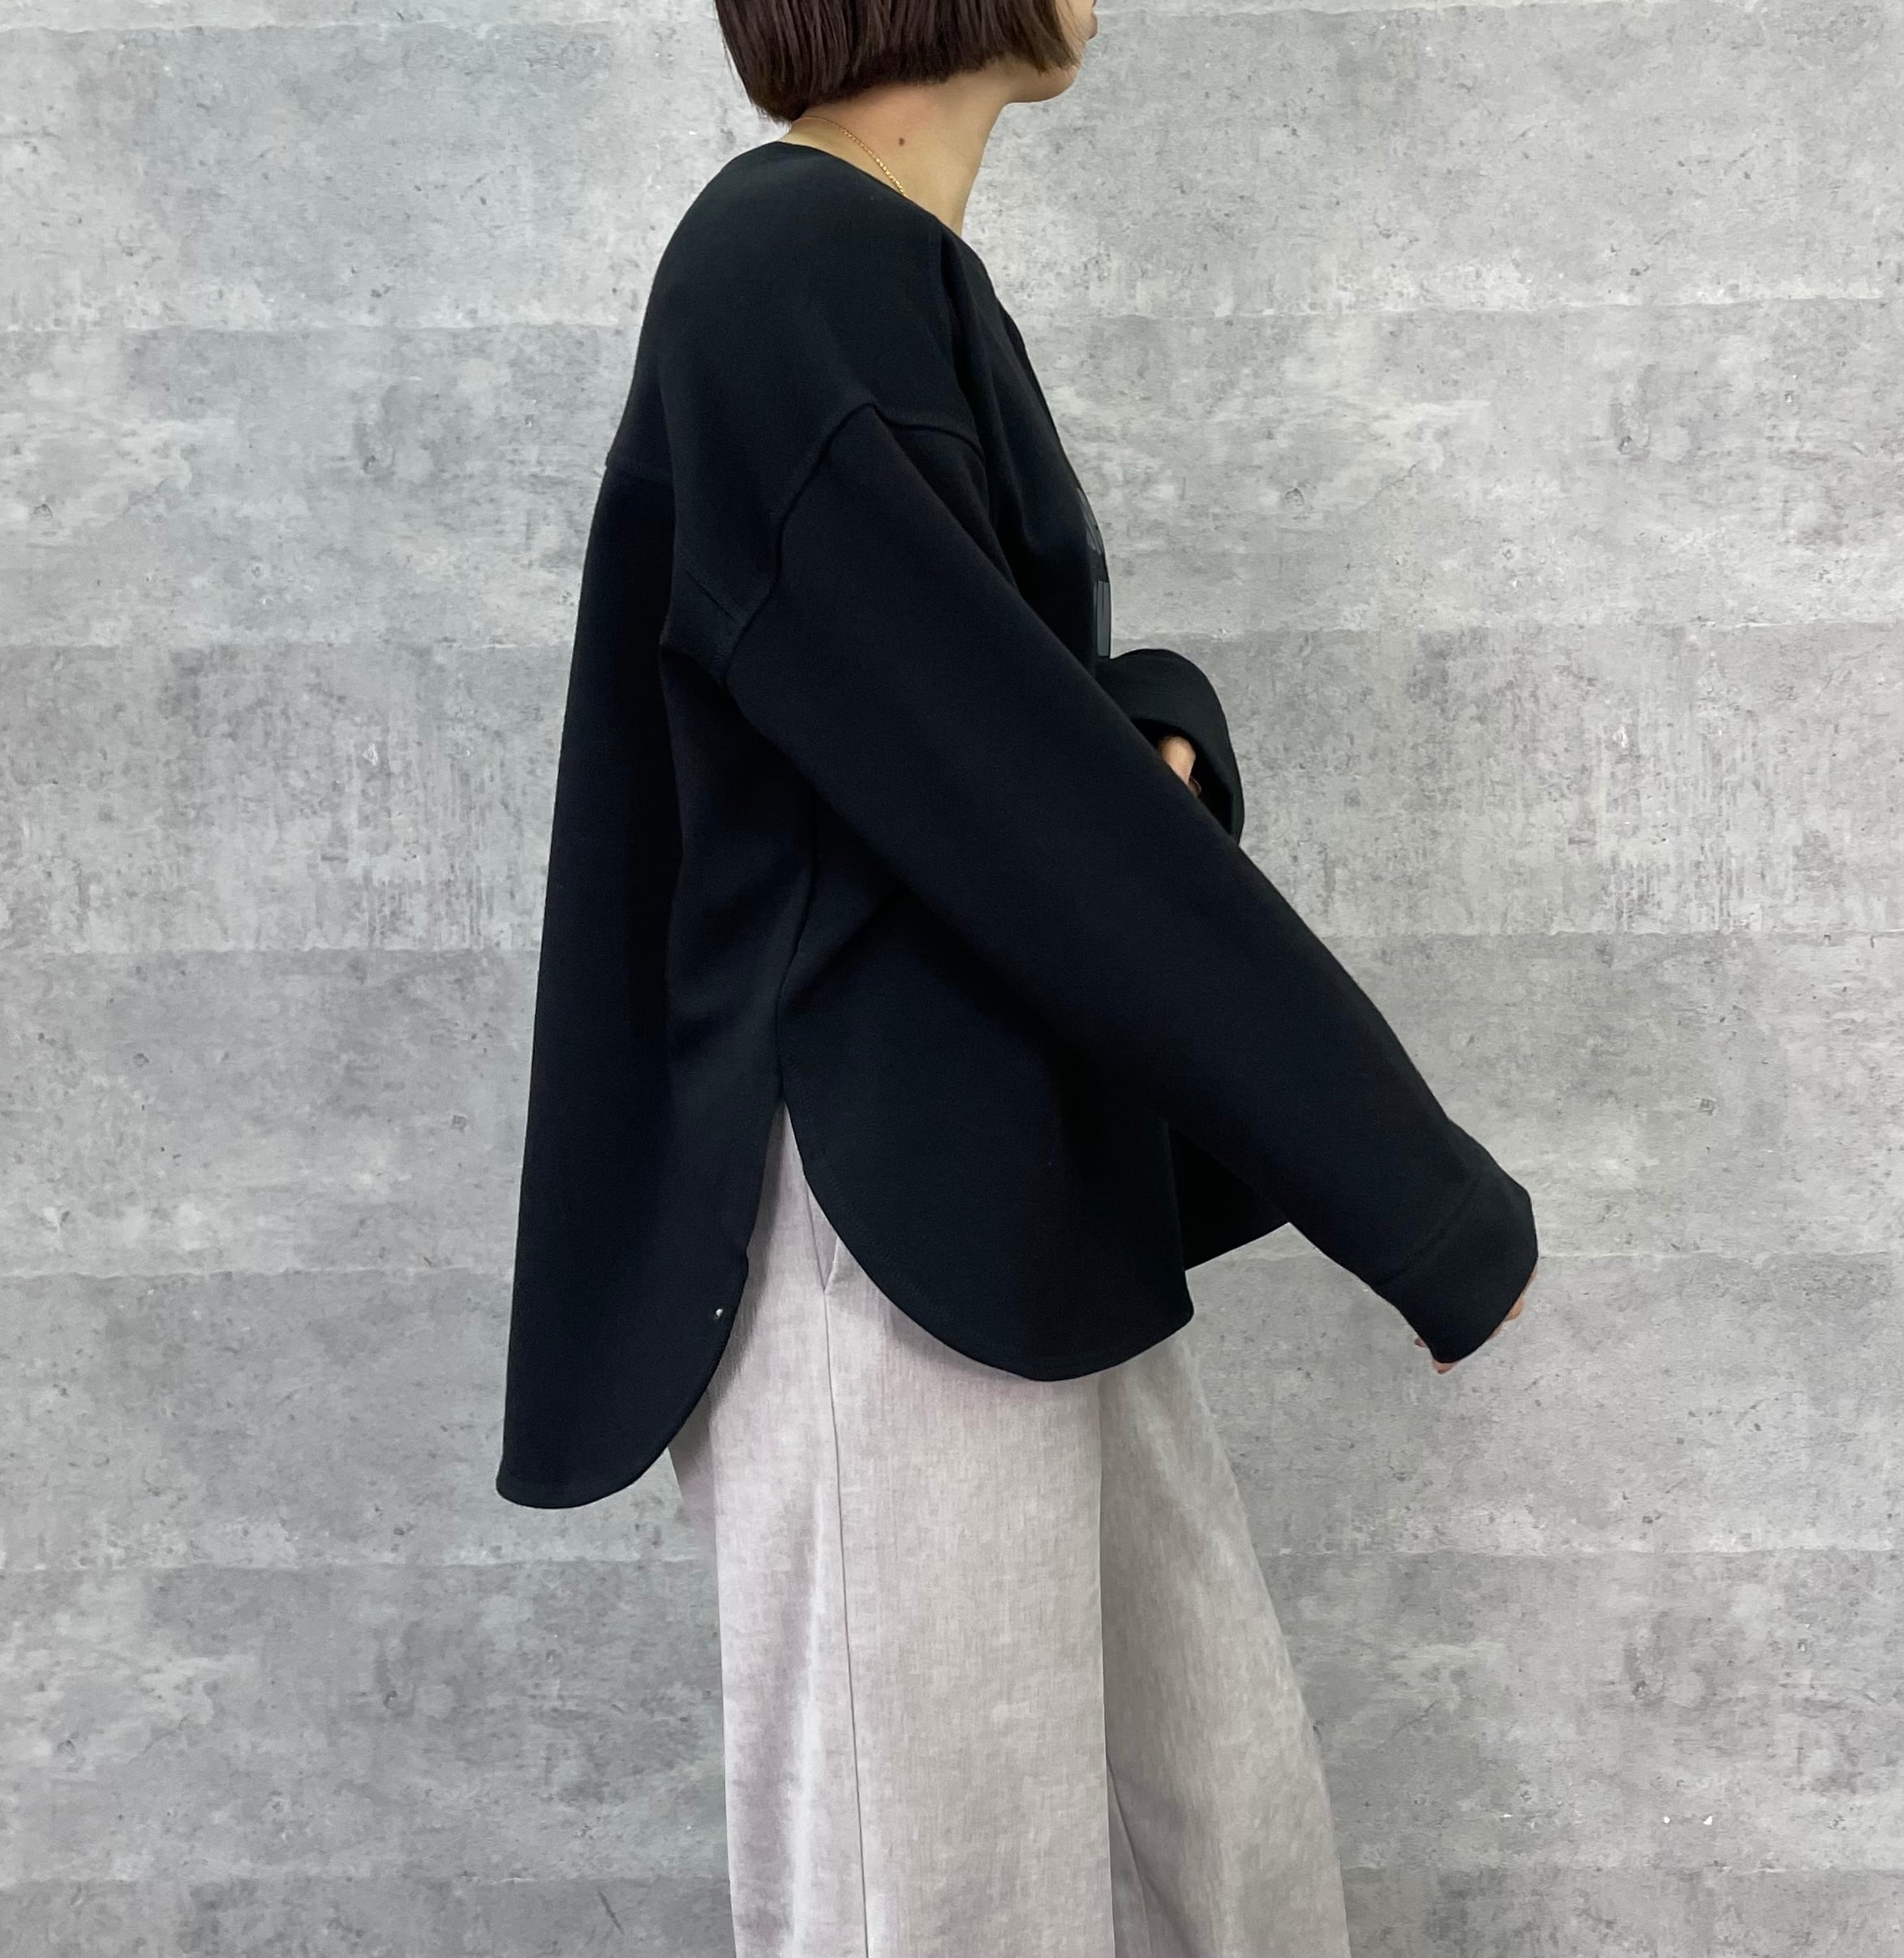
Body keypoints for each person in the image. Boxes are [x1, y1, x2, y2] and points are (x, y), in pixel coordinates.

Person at [494, 0, 1540, 1949]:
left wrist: (1146, 723)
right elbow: (1010, 796)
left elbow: (943, 736)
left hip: (1008, 1203)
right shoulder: (779, 270)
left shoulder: (874, 273)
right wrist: (1418, 1202)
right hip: (882, 1233)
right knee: (945, 1905)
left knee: (1224, 1850)